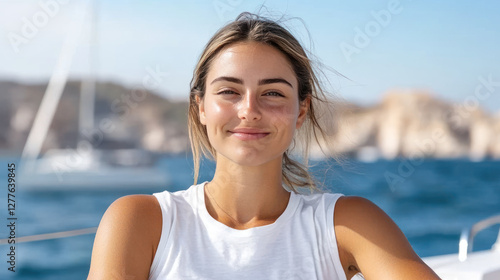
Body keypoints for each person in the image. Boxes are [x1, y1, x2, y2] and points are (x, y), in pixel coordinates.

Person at [87, 12, 441, 280]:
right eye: (229, 91)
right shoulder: (141, 222)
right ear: (201, 109)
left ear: (300, 110)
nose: (249, 111)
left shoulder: (345, 223)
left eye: (272, 93)